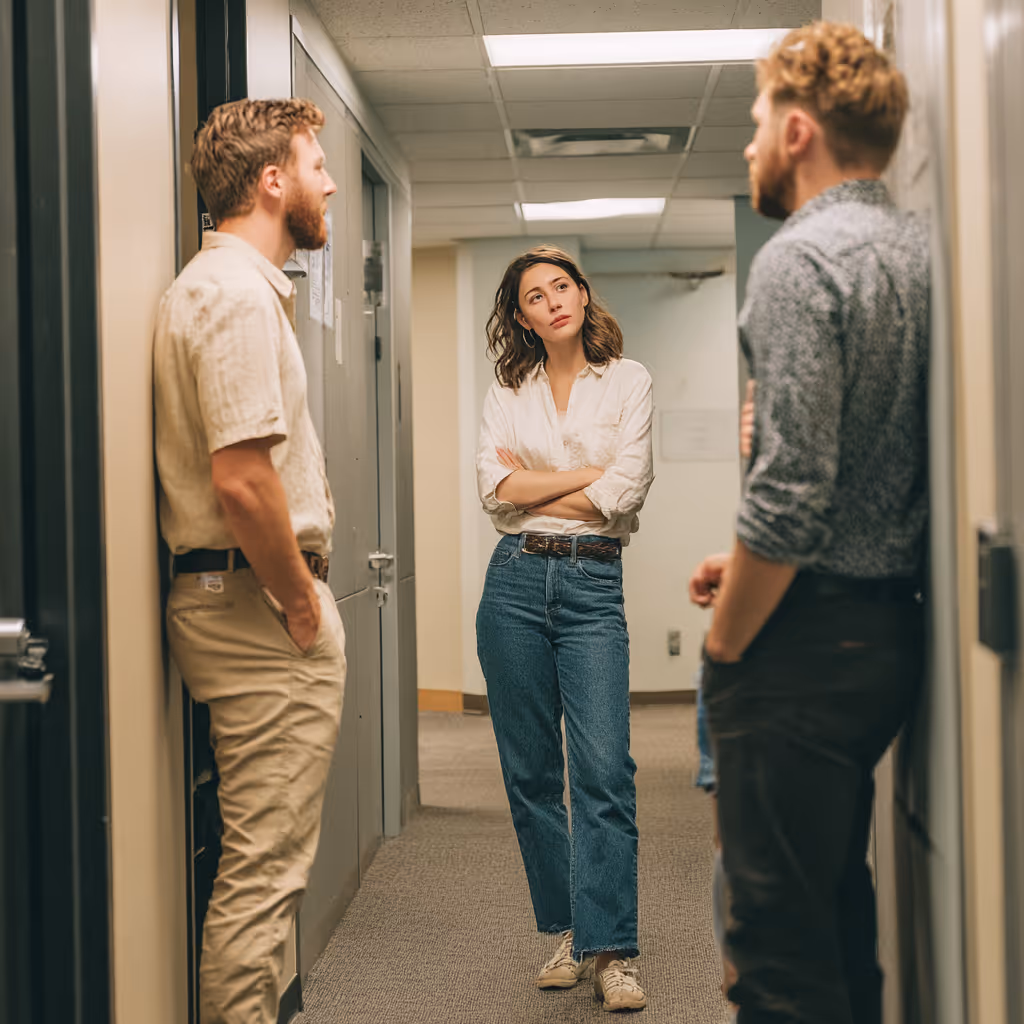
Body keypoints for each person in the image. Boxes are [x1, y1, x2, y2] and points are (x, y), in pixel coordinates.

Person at [689, 22, 929, 1024]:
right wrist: (743, 562)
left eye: (752, 126)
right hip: (881, 628)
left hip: (799, 652)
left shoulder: (798, 262)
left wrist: (727, 637)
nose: (744, 147)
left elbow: (789, 495)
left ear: (797, 132)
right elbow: (861, 462)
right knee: (837, 916)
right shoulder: (914, 248)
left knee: (776, 953)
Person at [154, 98, 345, 1024]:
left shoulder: (238, 288)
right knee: (263, 877)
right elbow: (242, 479)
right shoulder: (231, 295)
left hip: (245, 598)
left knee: (267, 869)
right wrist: (302, 604)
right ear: (272, 180)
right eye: (316, 164)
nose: (329, 182)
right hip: (256, 608)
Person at [475, 245, 654, 1012]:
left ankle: (613, 952)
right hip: (513, 581)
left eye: (561, 287)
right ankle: (573, 931)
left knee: (605, 771)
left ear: (582, 294)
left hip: (589, 583)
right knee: (531, 776)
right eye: (534, 296)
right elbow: (496, 492)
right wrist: (589, 475)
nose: (552, 301)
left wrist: (540, 486)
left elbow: (629, 485)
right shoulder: (505, 391)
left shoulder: (629, 380)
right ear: (520, 317)